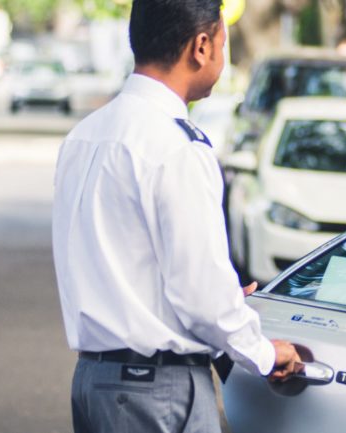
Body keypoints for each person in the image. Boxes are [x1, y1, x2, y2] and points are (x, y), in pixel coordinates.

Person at [51, 0, 304, 432]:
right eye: (223, 44)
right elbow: (200, 292)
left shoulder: (85, 135)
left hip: (94, 382)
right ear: (201, 46)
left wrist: (220, 296)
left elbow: (125, 265)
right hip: (157, 389)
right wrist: (263, 353)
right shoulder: (178, 147)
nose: (222, 58)